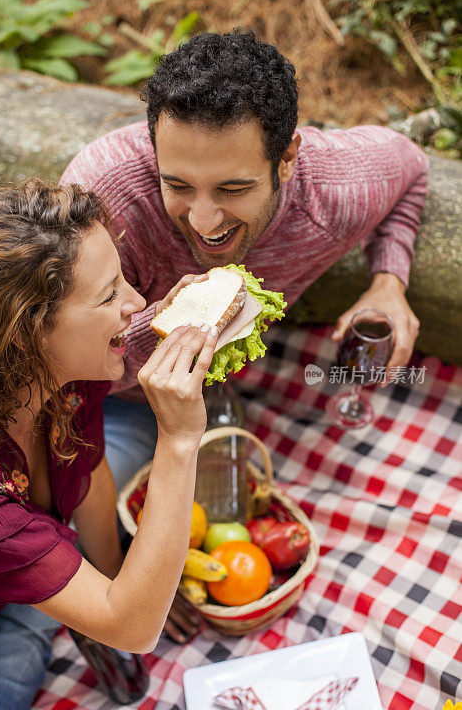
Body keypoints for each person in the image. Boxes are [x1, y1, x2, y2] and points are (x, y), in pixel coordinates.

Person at [60, 28, 429, 504]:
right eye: (177, 185)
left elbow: (414, 166)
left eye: (232, 189)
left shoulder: (338, 188)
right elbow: (58, 354)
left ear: (288, 158)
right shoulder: (102, 197)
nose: (203, 220)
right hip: (106, 404)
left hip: (224, 399)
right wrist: (166, 328)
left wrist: (388, 282)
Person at [0, 179, 218, 710]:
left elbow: (89, 473)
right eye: (112, 292)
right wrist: (180, 438)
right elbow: (133, 627)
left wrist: (117, 576)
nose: (139, 303)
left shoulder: (64, 368)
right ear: (28, 329)